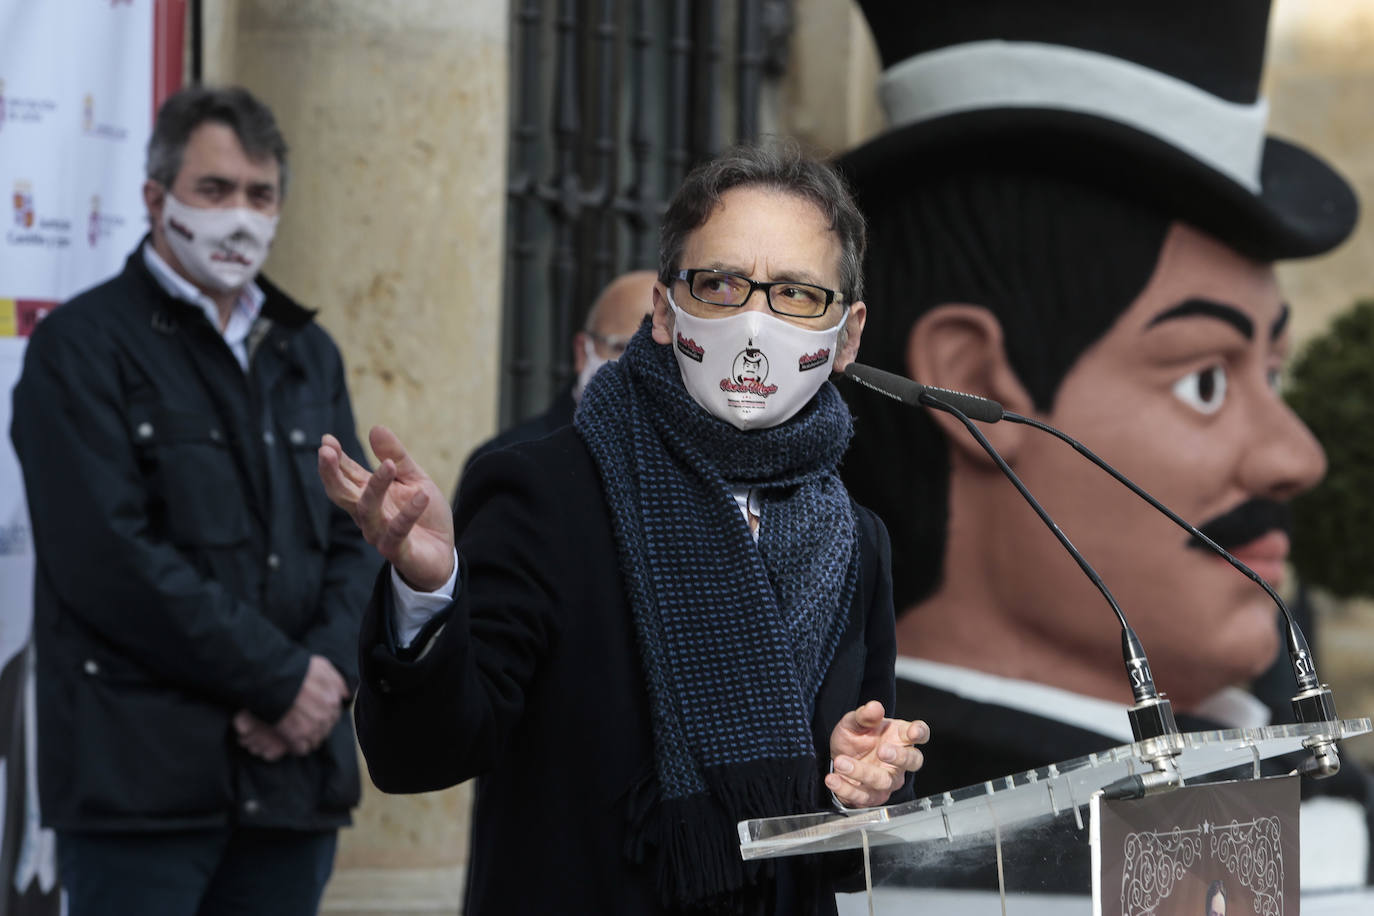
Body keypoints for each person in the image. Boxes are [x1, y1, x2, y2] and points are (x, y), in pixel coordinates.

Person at [836, 0, 1373, 892]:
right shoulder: (908, 854)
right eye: (1205, 378)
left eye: (1269, 373)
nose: (1296, 457)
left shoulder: (1306, 803)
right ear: (973, 386)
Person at [319, 142, 929, 914]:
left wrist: (859, 790)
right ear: (666, 312)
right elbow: (423, 753)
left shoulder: (853, 538)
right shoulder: (548, 492)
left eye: (798, 295)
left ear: (848, 336)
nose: (755, 323)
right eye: (720, 284)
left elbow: (852, 847)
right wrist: (429, 586)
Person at [9, 86, 376, 915]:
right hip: (142, 793)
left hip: (291, 791)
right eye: (214, 191)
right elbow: (107, 559)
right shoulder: (81, 348)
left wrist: (326, 683)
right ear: (154, 197)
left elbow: (351, 536)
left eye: (260, 194)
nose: (239, 217)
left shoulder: (306, 351)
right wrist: (280, 680)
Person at [456, 269, 655, 479]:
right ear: (582, 352)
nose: (641, 368)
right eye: (622, 348)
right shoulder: (507, 461)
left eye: (658, 355)